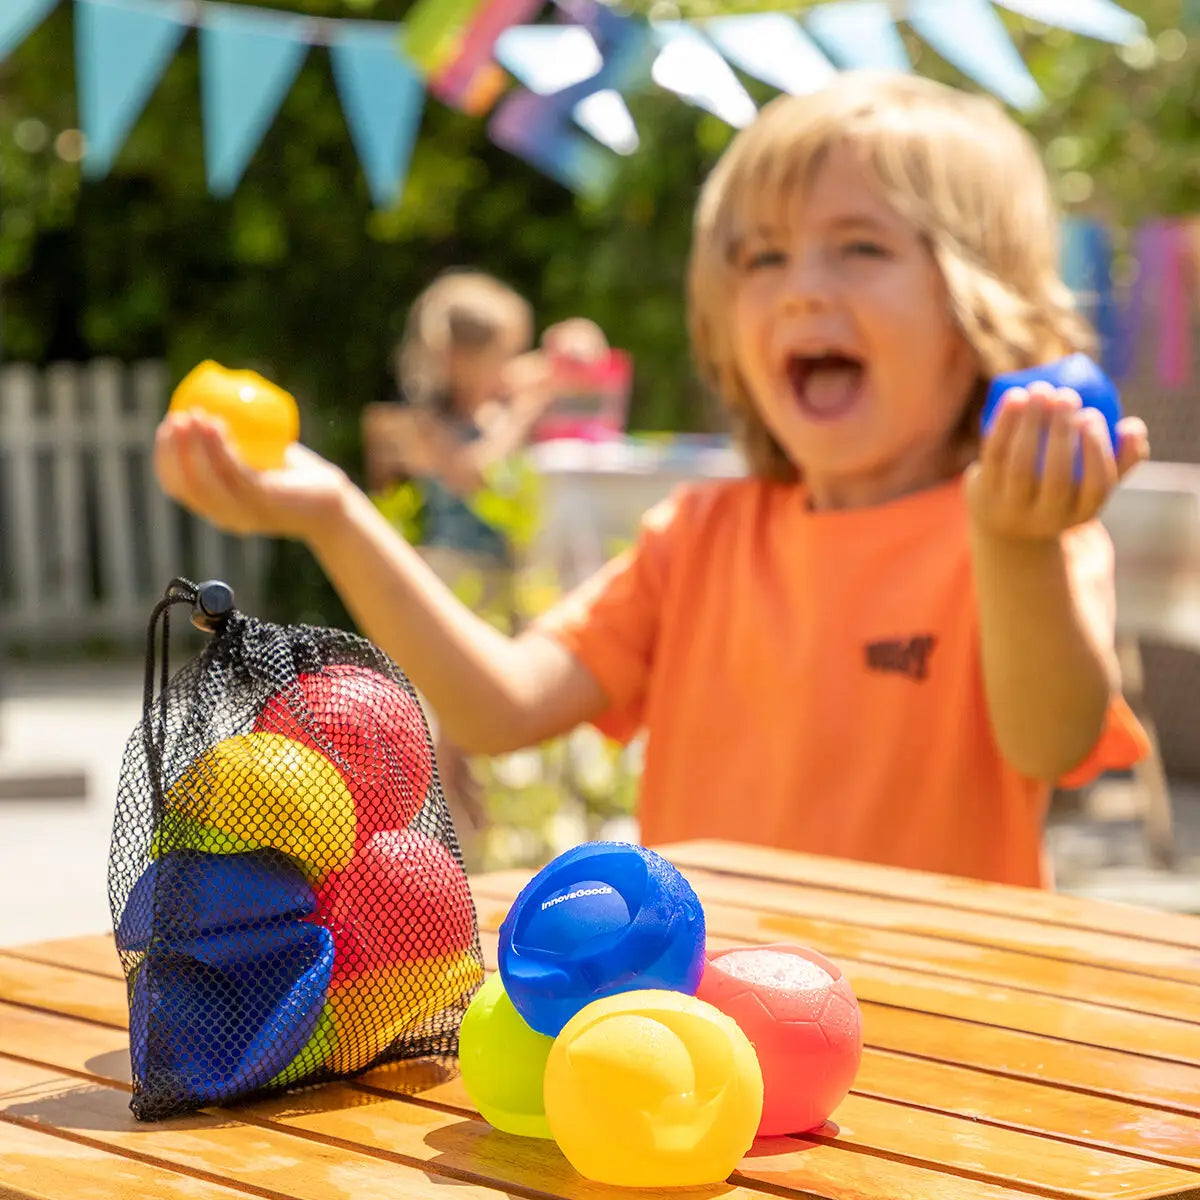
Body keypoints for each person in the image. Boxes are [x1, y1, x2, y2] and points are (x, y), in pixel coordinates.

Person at [154, 71, 1151, 888]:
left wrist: (1017, 546)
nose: (802, 284)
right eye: (762, 257)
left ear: (983, 308)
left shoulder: (1017, 531)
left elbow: (1052, 739)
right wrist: (336, 514)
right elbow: (500, 708)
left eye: (861, 246)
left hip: (946, 1057)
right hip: (696, 1058)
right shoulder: (700, 537)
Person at [360, 269, 608, 853]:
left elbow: (574, 347)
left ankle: (486, 833)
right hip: (451, 576)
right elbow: (472, 473)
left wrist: (575, 342)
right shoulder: (431, 421)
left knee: (490, 711)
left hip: (504, 576)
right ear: (457, 359)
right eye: (500, 354)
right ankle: (452, 842)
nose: (511, 366)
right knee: (450, 716)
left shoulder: (500, 391)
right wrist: (524, 412)